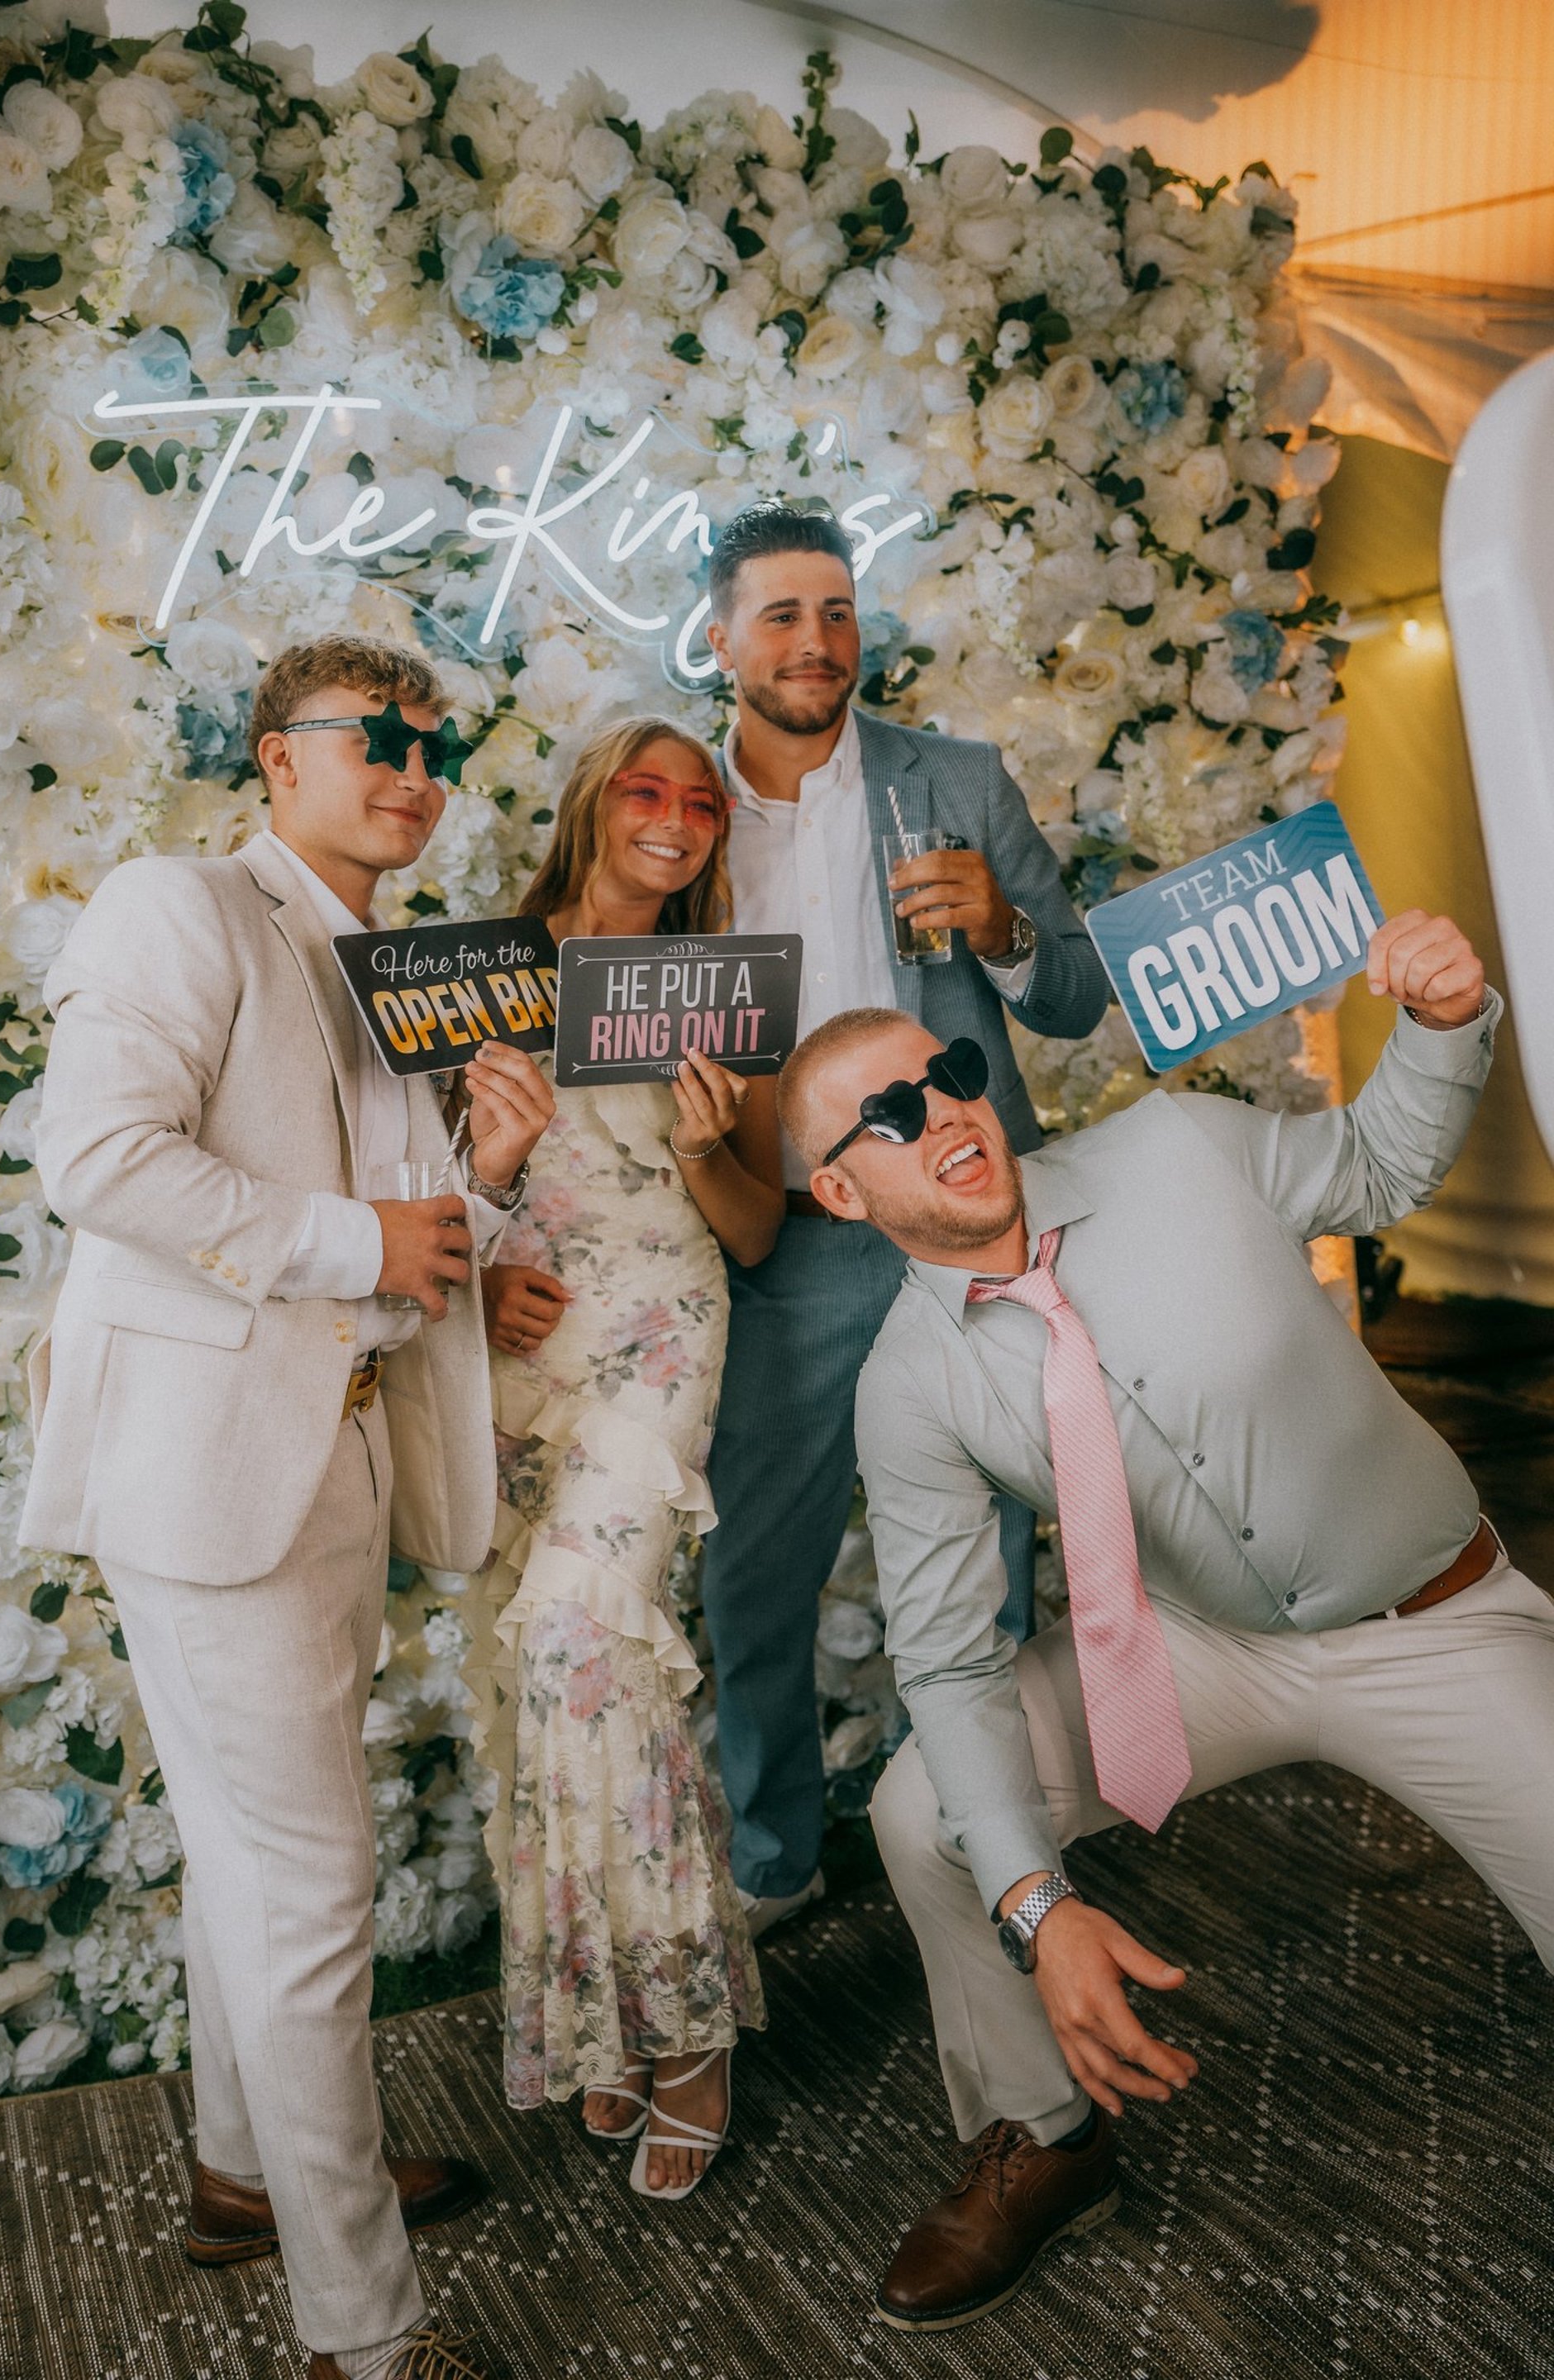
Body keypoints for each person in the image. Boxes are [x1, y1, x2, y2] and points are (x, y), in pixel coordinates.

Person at [774, 911, 1554, 2334]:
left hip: (1430, 1617)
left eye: (947, 1072)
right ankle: (1048, 2144)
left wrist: (1443, 1023)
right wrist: (1038, 1903)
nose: (943, 1105)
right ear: (839, 1192)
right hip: (1206, 1648)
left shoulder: (1176, 1151)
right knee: (923, 1809)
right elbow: (946, 1662)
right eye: (890, 1114)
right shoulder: (907, 1387)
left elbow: (1378, 1164)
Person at [20, 635, 555, 2380]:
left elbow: (395, 1262)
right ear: (277, 757)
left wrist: (477, 1191)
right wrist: (368, 1239)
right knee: (314, 1888)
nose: (413, 766)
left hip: (338, 1452)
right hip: (205, 1471)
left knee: (259, 1868)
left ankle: (250, 2173)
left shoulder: (404, 967)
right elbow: (94, 1158)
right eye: (376, 737)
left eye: (435, 743)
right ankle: (365, 2329)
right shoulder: (179, 906)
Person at [698, 501, 1110, 1935]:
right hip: (787, 1235)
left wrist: (1002, 927)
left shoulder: (960, 780)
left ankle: (1001, 1851)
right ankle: (773, 1861)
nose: (816, 643)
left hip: (952, 1218)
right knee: (759, 1560)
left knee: (991, 1555)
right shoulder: (674, 809)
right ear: (720, 637)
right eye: (781, 616)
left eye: (836, 613)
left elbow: (1075, 996)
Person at [467, 715, 780, 2201]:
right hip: (522, 1348)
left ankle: (692, 2031)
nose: (674, 817)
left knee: (594, 1659)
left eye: (700, 802)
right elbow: (415, 1178)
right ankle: (607, 2011)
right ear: (592, 805)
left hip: (661, 1337)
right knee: (530, 1686)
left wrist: (715, 1138)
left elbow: (761, 1227)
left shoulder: (723, 991)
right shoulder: (489, 971)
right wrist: (469, 1284)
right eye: (645, 792)